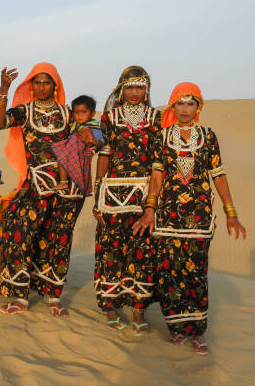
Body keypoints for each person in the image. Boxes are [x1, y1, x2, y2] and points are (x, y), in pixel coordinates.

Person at [133, 82, 246, 355]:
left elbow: (218, 175)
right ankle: (177, 328)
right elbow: (157, 175)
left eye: (190, 103)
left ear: (198, 107)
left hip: (199, 216)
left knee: (196, 272)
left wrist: (231, 213)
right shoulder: (163, 136)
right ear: (173, 106)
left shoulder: (208, 136)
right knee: (170, 272)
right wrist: (150, 208)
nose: (185, 109)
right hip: (168, 216)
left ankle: (197, 331)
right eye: (180, 104)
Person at [0, 62, 91, 317]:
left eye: (46, 82)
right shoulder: (25, 111)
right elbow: (0, 122)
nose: (40, 87)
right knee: (18, 230)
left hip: (66, 186)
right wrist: (4, 89)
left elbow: (88, 133)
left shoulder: (68, 113)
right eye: (36, 82)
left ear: (55, 86)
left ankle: (54, 298)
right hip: (35, 183)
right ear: (30, 85)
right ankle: (20, 297)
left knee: (58, 240)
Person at [92, 66, 160, 335]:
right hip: (112, 196)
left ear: (147, 90)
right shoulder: (110, 117)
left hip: (144, 196)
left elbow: (158, 162)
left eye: (140, 87)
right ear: (121, 89)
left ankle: (139, 309)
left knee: (142, 253)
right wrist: (98, 194)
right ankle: (111, 307)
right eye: (130, 87)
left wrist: (154, 202)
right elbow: (105, 155)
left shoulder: (157, 117)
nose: (135, 93)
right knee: (111, 252)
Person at [51, 95, 104, 194]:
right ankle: (64, 181)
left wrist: (93, 142)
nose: (79, 116)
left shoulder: (93, 127)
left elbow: (100, 141)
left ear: (93, 113)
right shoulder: (74, 125)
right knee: (61, 159)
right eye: (76, 112)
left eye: (84, 112)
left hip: (81, 154)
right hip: (71, 152)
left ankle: (63, 182)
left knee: (62, 158)